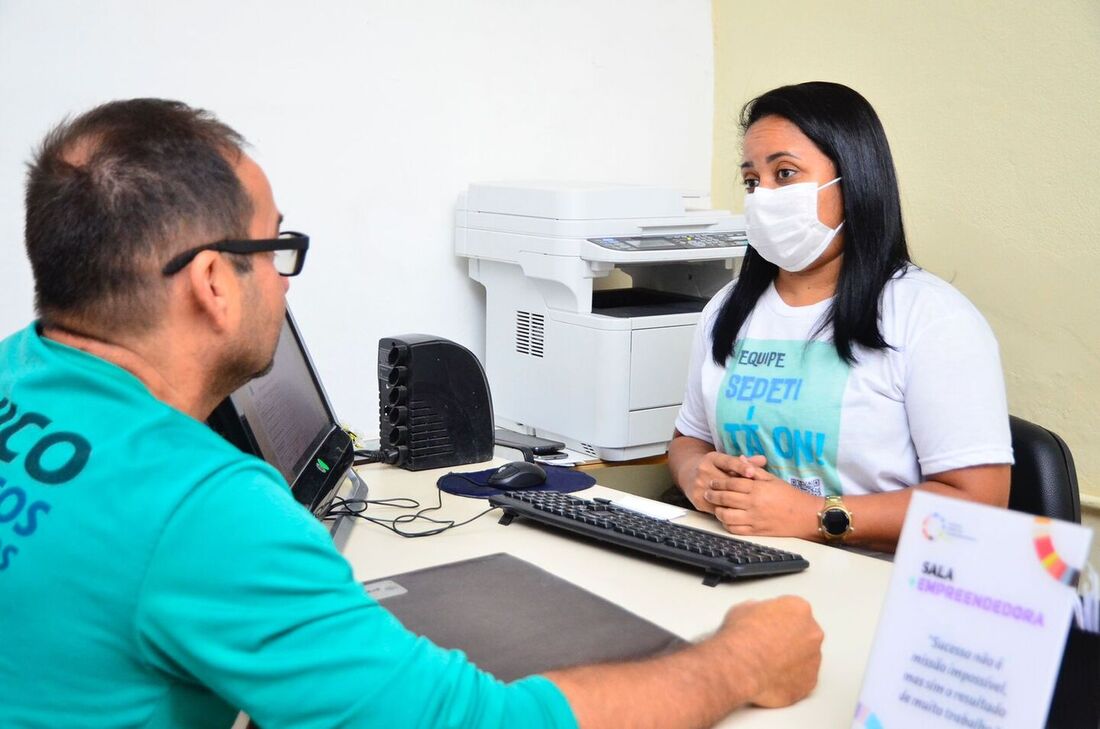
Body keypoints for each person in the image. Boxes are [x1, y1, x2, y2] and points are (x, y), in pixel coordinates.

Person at [0, 98, 823, 728]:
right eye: (277, 250)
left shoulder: (16, 369)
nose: (286, 283)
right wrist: (738, 660)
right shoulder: (201, 509)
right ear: (214, 282)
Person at [669, 82, 1013, 553]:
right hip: (743, 560)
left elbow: (978, 505)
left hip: (876, 585)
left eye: (785, 174)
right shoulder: (727, 309)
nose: (762, 197)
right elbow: (689, 440)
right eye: (752, 181)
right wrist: (697, 477)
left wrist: (815, 516)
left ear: (853, 182)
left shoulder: (931, 317)